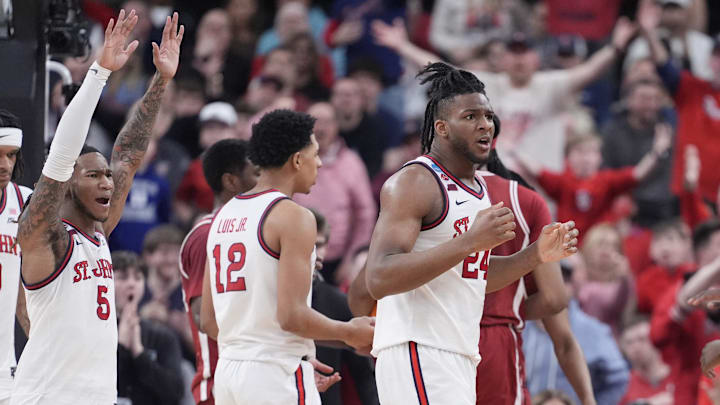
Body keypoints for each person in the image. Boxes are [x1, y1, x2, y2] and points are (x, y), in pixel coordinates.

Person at [365, 62, 579, 404]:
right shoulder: (415, 181)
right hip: (418, 347)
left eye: (488, 116)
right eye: (470, 116)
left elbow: (474, 275)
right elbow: (378, 277)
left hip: (459, 352)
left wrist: (534, 255)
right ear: (442, 128)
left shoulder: (476, 189)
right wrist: (469, 242)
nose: (485, 125)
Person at [11, 10, 182, 405]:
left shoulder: (99, 234)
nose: (107, 181)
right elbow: (61, 158)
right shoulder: (43, 236)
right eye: (93, 176)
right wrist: (99, 73)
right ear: (69, 184)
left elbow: (129, 153)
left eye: (106, 176)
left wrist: (161, 80)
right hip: (46, 397)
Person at [199, 109, 375, 404]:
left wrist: (295, 348)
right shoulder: (294, 216)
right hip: (274, 376)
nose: (319, 162)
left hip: (229, 373)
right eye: (315, 153)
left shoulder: (222, 216)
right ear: (296, 160)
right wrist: (347, 331)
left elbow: (209, 320)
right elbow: (292, 315)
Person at [179, 139, 258, 405]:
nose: (263, 180)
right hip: (218, 387)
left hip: (250, 380)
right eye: (255, 173)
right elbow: (205, 318)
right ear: (231, 181)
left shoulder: (251, 232)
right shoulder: (205, 235)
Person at [114, 251, 184, 405]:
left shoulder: (162, 336)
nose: (132, 284)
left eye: (138, 278)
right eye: (123, 277)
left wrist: (139, 352)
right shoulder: (95, 332)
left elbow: (174, 393)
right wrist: (122, 346)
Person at [0, 110, 33, 405]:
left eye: (11, 155)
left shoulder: (24, 201)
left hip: (4, 367)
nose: (4, 165)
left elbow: (26, 292)